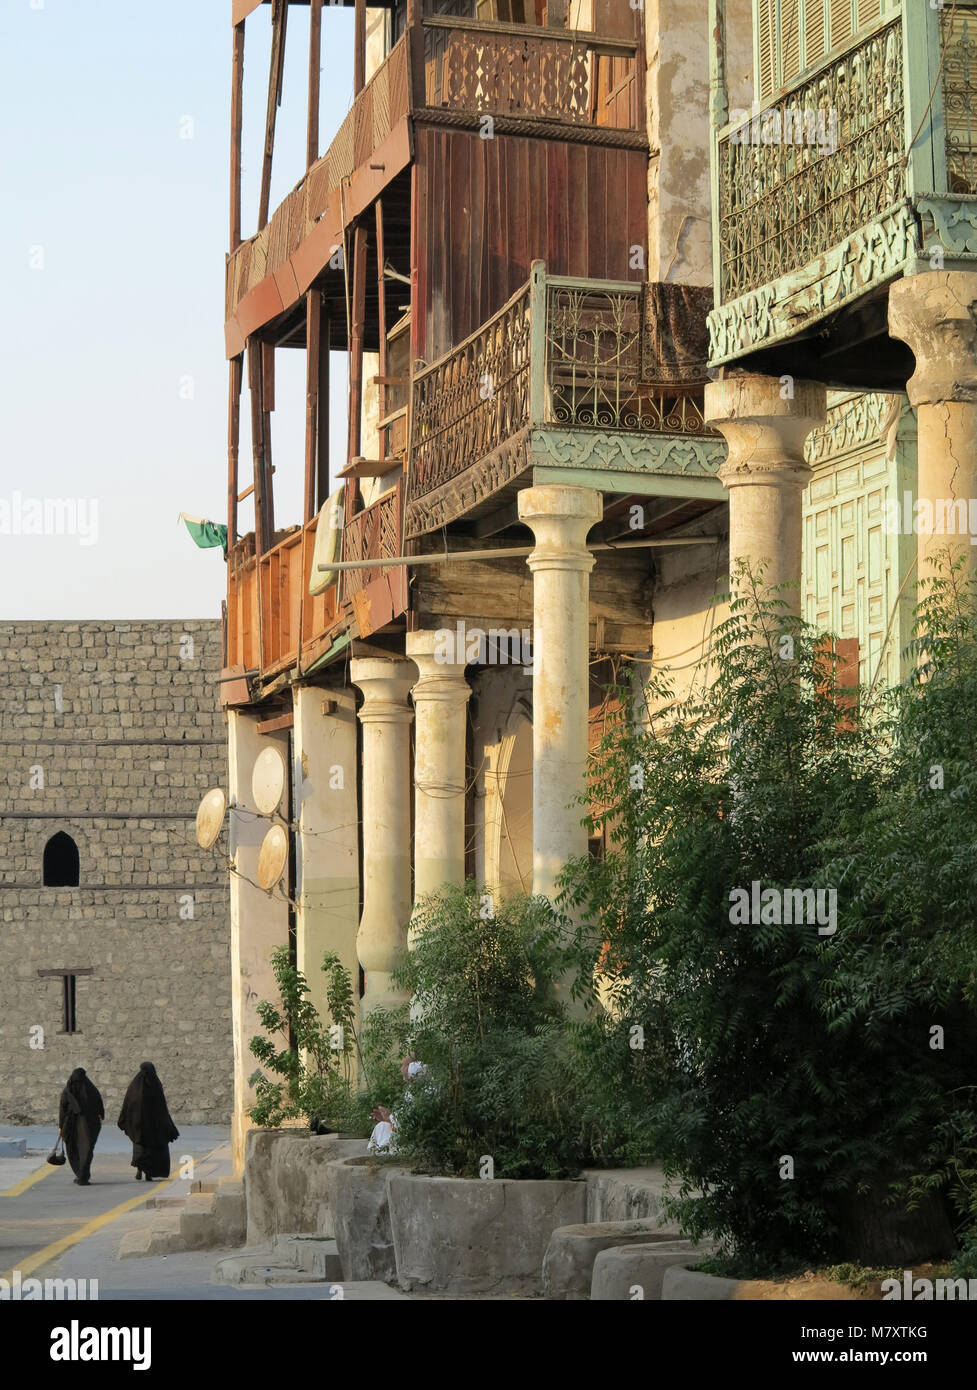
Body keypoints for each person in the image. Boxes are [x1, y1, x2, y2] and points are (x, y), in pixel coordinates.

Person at [117, 1061, 179, 1181]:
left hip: (138, 1126)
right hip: (153, 1127)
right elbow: (162, 1107)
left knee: (140, 1148)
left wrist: (127, 1120)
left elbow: (128, 1104)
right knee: (152, 1151)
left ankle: (139, 1169)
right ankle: (148, 1173)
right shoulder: (155, 1084)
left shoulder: (134, 1085)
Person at [58, 1067, 104, 1186]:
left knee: (73, 1149)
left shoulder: (68, 1090)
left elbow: (62, 1109)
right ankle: (83, 1176)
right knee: (87, 1150)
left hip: (71, 1125)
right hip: (90, 1125)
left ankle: (80, 1174)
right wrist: (101, 1115)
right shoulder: (91, 1089)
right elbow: (99, 1103)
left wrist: (61, 1126)